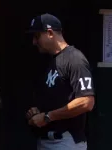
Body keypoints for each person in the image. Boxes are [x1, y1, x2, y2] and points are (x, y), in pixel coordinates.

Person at [26, 13, 95, 150]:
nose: (34, 42)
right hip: (46, 140)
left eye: (37, 36)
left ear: (50, 33)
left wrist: (47, 116)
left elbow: (86, 102)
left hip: (65, 141)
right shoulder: (51, 61)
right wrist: (37, 112)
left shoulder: (75, 59)